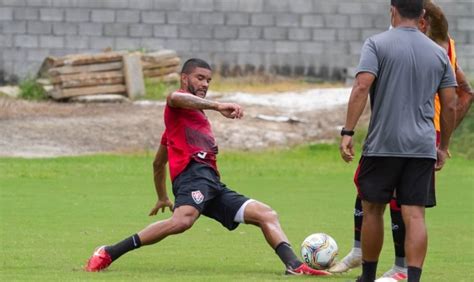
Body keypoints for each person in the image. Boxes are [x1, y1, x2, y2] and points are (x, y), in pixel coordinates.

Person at [85, 58, 330, 276]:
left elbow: (158, 163)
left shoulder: (182, 125)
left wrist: (162, 197)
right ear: (184, 78)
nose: (204, 84)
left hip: (211, 183)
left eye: (208, 80)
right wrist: (217, 105)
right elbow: (175, 97)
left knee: (266, 214)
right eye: (199, 78)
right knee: (182, 221)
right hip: (192, 177)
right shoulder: (176, 104)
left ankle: (294, 266)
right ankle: (108, 252)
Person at [330, 1, 473, 280]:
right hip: (422, 146)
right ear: (422, 16)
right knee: (415, 215)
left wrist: (348, 131)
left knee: (372, 209)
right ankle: (411, 276)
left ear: (392, 10)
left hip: (383, 143)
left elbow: (361, 86)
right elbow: (452, 104)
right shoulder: (439, 52)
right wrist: (443, 146)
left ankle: (368, 276)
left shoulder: (376, 43)